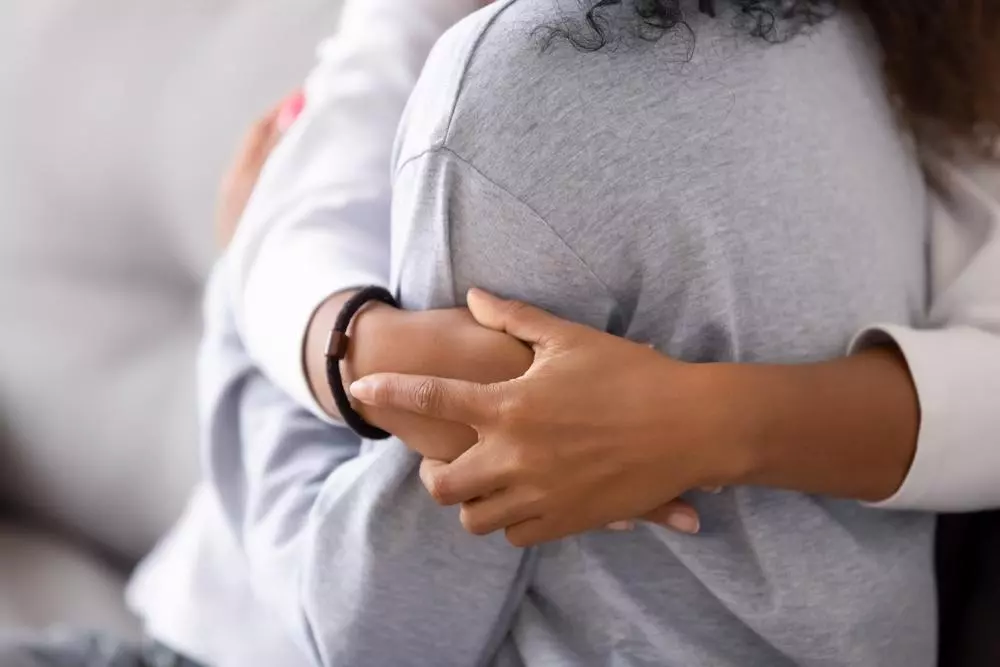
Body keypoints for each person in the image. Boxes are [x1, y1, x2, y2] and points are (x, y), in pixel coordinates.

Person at [220, 0, 1000, 664]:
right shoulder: (842, 68)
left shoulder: (522, 92)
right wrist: (355, 346)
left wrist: (708, 418)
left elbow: (375, 629)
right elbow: (324, 160)